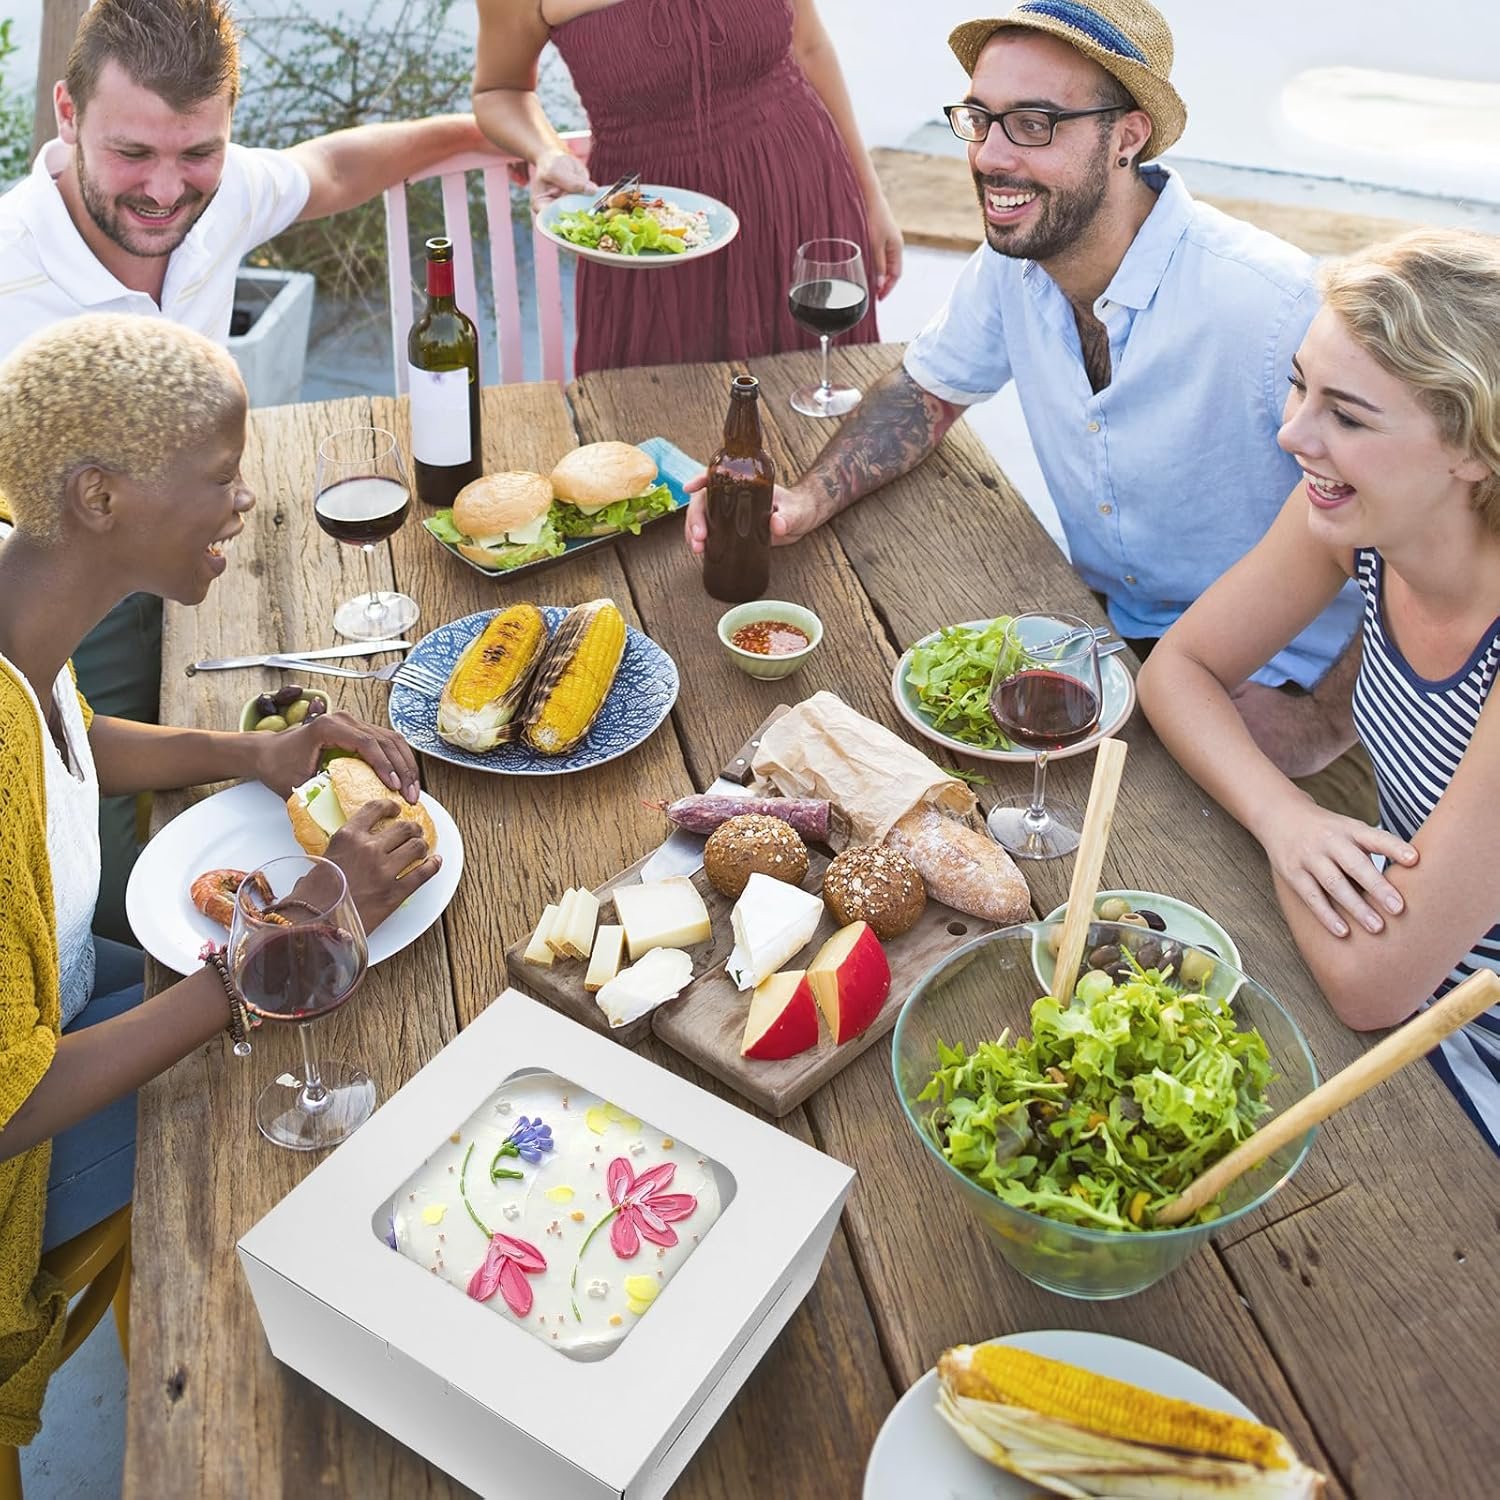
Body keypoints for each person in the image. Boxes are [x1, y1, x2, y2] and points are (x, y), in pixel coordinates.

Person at [684, 0, 1373, 817]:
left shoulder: (1271, 306)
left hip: (1280, 689)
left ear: (1128, 136)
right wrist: (803, 500)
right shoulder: (1013, 262)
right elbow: (926, 391)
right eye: (980, 118)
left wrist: (1325, 723)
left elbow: (1423, 530)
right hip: (1106, 650)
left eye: (1035, 124)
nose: (991, 156)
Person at [0, 313, 442, 1442]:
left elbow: (66, 735)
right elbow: (11, 1105)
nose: (243, 500)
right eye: (219, 475)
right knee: (287, 1129)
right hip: (18, 1147)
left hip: (52, 988)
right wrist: (281, 944)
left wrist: (248, 754)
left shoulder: (21, 600)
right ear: (99, 497)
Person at [0, 0, 507, 945]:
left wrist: (492, 123)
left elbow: (334, 169)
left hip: (177, 558)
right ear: (66, 114)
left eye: (197, 153)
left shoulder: (216, 190)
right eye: (132, 154)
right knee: (95, 891)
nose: (164, 189)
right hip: (56, 594)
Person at [1137, 230, 1500, 1152]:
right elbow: (1177, 672)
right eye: (1302, 384)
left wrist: (1290, 831)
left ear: (1472, 449)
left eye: (1348, 413)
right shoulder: (1359, 518)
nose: (1293, 434)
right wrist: (1286, 819)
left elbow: (1372, 984)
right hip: (1386, 932)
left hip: (1458, 1041)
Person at [471, 0, 903, 374]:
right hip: (652, 232)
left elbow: (809, 47)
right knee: (660, 426)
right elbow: (498, 89)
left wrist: (870, 196)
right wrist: (546, 152)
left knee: (819, 407)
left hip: (795, 191)